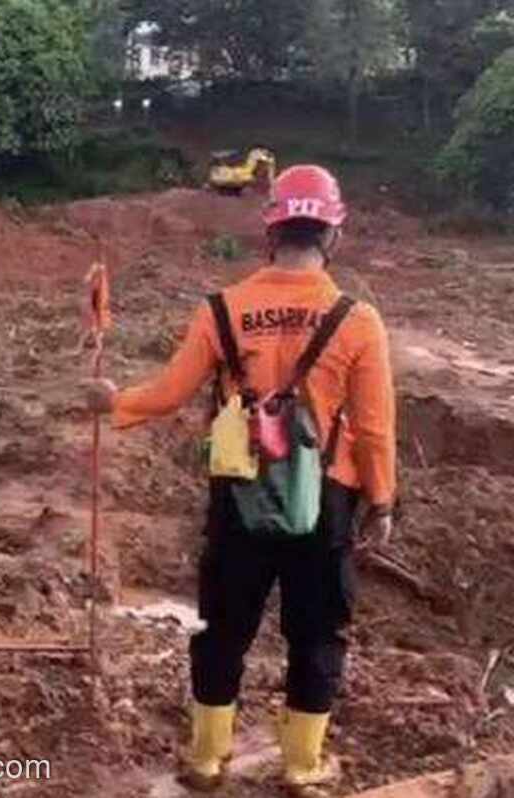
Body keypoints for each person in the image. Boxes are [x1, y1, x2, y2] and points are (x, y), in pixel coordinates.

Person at [84, 165, 396, 795]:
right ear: (332, 234)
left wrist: (114, 402)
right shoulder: (357, 320)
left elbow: (171, 393)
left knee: (224, 626)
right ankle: (303, 769)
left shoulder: (222, 310)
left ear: (270, 230)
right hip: (325, 502)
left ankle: (205, 761)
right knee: (316, 633)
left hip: (239, 493)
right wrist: (381, 500)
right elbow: (373, 427)